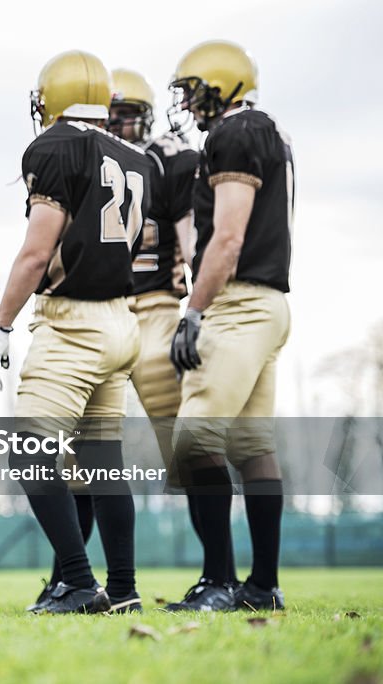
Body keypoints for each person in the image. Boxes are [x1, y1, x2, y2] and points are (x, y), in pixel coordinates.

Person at [0, 50, 153, 614]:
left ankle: (79, 583)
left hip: (73, 325)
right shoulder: (135, 156)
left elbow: (37, 251)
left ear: (51, 98)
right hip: (122, 321)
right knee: (103, 461)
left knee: (29, 452)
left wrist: (2, 322)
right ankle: (125, 591)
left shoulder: (55, 147)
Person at [165, 40, 293, 612]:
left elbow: (230, 236)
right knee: (251, 446)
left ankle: (218, 581)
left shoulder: (236, 133)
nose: (189, 105)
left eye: (194, 92)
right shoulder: (271, 133)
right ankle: (261, 586)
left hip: (239, 304)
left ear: (222, 87)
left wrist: (194, 308)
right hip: (269, 304)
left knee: (195, 437)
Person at [109, 68, 244, 589]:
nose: (118, 125)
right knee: (80, 449)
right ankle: (69, 578)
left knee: (191, 453)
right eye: (110, 114)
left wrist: (199, 311)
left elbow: (193, 241)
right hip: (100, 313)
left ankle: (220, 575)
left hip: (159, 308)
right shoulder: (81, 157)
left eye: (126, 114)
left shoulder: (171, 158)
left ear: (144, 115)